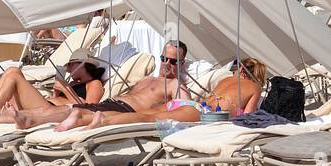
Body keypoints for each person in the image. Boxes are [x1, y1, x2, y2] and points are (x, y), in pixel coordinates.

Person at [0, 41, 191, 130]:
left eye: (173, 61)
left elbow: (185, 108)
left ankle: (25, 120)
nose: (167, 64)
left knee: (70, 110)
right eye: (164, 58)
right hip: (111, 103)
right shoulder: (146, 79)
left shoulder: (175, 85)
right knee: (65, 109)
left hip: (123, 111)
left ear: (181, 63)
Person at [55, 56, 266, 132]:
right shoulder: (254, 87)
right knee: (148, 118)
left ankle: (86, 116)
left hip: (194, 107)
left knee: (148, 115)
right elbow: (247, 117)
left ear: (239, 70)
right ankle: (103, 121)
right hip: (204, 113)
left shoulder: (226, 79)